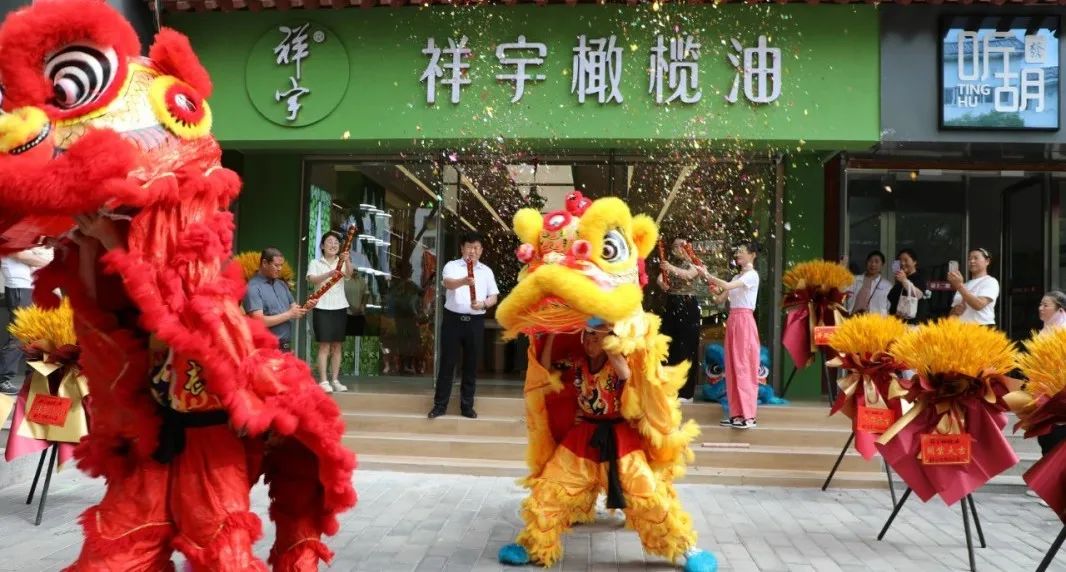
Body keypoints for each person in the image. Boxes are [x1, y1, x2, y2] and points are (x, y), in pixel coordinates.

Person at [428, 232, 499, 419]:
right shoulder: (452, 266)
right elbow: (448, 284)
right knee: (447, 363)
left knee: (471, 365)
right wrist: (464, 281)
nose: (472, 251)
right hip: (453, 320)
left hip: (475, 322)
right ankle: (439, 405)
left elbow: (493, 297)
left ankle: (467, 406)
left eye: (476, 247)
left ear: (481, 250)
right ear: (462, 248)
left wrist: (483, 304)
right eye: (469, 247)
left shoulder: (486, 271)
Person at [705, 241, 761, 429]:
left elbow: (727, 285)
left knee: (744, 366)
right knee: (732, 367)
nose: (738, 255)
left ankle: (749, 417)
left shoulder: (752, 275)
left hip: (744, 320)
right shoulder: (738, 276)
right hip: (733, 320)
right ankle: (736, 414)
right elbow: (719, 299)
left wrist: (708, 275)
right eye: (737, 252)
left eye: (742, 252)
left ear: (752, 254)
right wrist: (712, 288)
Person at [657, 236, 705, 402]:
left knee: (686, 347)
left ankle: (686, 392)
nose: (678, 249)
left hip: (688, 304)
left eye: (681, 245)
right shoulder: (671, 263)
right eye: (675, 246)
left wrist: (669, 267)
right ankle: (668, 388)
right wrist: (662, 282)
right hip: (672, 303)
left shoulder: (695, 261)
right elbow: (661, 279)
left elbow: (688, 275)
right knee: (669, 345)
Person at [0, 247, 53, 395]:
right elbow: (20, 255)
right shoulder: (10, 238)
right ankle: (2, 379)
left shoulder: (31, 240)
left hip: (32, 287)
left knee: (37, 336)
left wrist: (36, 256)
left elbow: (46, 255)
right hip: (20, 287)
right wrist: (43, 259)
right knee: (20, 335)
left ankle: (34, 378)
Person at [243, 247, 313, 353]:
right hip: (264, 349)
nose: (280, 269)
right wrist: (289, 314)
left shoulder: (281, 284)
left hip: (285, 347)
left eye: (281, 265)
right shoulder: (253, 287)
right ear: (264, 263)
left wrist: (307, 306)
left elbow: (295, 310)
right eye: (276, 265)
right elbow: (259, 321)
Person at [307, 232, 352, 393]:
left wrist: (347, 260)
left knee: (337, 345)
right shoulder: (315, 262)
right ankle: (324, 380)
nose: (333, 245)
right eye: (329, 242)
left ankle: (335, 380)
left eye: (336, 243)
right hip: (322, 307)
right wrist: (329, 274)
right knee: (324, 345)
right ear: (322, 246)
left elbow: (349, 275)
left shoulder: (342, 261)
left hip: (340, 306)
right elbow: (312, 279)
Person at [949, 247, 999, 326]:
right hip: (962, 328)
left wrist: (959, 286)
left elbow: (979, 305)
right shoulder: (964, 285)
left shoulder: (991, 281)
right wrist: (955, 310)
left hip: (981, 327)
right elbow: (951, 315)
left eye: (976, 258)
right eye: (969, 259)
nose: (971, 261)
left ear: (987, 261)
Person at [887, 248, 929, 325]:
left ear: (914, 262)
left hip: (913, 326)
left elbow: (919, 295)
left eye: (906, 260)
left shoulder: (920, 277)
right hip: (897, 324)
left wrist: (904, 281)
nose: (902, 263)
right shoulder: (900, 279)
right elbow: (890, 297)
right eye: (900, 261)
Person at [846, 250, 891, 315]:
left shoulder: (887, 286)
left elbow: (889, 307)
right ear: (866, 262)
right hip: (854, 318)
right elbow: (843, 293)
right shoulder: (854, 280)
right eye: (870, 261)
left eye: (876, 261)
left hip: (876, 320)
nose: (873, 264)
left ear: (882, 265)